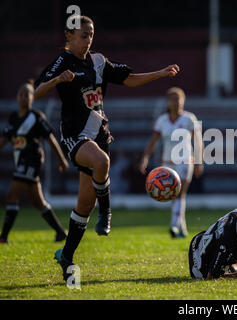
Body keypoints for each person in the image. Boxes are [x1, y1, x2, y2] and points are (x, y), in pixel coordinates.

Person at [33, 15, 180, 281]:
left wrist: (159, 74)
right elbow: (37, 91)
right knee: (101, 163)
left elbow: (130, 78)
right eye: (82, 35)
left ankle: (66, 256)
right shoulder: (62, 61)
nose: (87, 40)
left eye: (91, 35)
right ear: (69, 37)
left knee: (83, 205)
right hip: (75, 134)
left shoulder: (99, 61)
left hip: (99, 133)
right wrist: (56, 81)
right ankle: (107, 212)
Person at [0, 80, 69, 244]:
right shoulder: (13, 118)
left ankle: (3, 237)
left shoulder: (36, 117)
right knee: (38, 202)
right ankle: (60, 232)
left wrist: (62, 160)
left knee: (11, 195)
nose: (23, 98)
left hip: (32, 161)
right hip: (22, 162)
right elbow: (4, 140)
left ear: (32, 98)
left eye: (27, 95)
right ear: (17, 97)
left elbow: (51, 140)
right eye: (21, 94)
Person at [139, 87, 203, 238]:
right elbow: (153, 141)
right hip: (167, 162)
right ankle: (182, 229)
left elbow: (198, 141)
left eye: (178, 99)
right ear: (167, 102)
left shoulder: (189, 118)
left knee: (180, 193)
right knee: (174, 195)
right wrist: (145, 158)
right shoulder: (162, 120)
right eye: (173, 99)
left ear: (183, 101)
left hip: (185, 160)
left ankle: (174, 226)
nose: (176, 102)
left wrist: (199, 161)